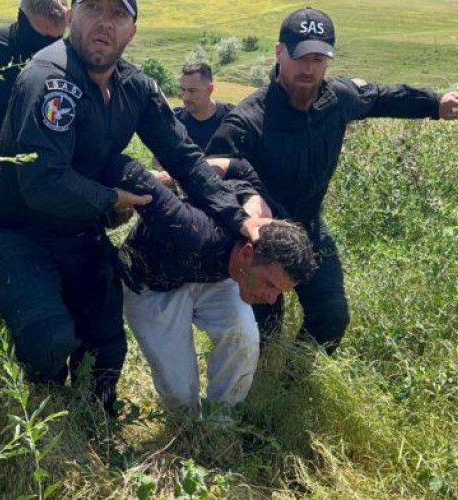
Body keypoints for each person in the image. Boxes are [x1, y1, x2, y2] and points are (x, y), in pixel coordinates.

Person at [0, 0, 263, 414]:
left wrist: (238, 218)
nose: (104, 23)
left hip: (81, 229)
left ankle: (94, 422)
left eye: (117, 15)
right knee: (48, 340)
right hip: (21, 233)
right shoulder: (51, 79)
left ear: (132, 31)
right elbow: (42, 182)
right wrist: (112, 199)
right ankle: (44, 417)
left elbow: (185, 159)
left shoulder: (135, 87)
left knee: (107, 347)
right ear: (72, 17)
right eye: (93, 8)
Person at [206, 7, 458, 354]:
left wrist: (435, 103)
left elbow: (381, 97)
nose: (309, 68)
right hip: (260, 238)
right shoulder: (247, 121)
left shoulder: (336, 98)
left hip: (310, 227)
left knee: (331, 316)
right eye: (301, 58)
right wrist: (246, 206)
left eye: (319, 59)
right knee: (263, 330)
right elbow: (211, 177)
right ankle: (258, 382)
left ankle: (293, 377)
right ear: (279, 53)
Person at [110, 155, 316, 414]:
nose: (271, 298)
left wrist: (253, 195)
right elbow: (134, 176)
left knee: (243, 338)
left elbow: (243, 168)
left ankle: (219, 421)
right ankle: (187, 424)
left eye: (279, 291)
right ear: (247, 253)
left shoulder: (262, 223)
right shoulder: (188, 229)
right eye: (269, 284)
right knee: (179, 393)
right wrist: (167, 178)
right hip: (153, 282)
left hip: (221, 275)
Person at [0, 0, 68, 161]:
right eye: (40, 39)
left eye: (56, 40)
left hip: (62, 167)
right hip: (3, 166)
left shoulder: (74, 55)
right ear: (22, 19)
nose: (48, 49)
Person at [175, 61, 234, 151]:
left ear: (210, 89)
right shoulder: (174, 121)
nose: (185, 97)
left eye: (192, 91)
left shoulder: (231, 119)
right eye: (183, 90)